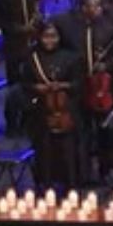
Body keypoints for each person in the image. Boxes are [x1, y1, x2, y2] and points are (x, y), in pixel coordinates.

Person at [24, 22, 81, 187]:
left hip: (66, 112)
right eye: (46, 37)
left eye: (53, 37)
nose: (50, 41)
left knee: (67, 151)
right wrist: (36, 88)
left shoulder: (71, 57)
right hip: (41, 113)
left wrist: (63, 86)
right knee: (44, 151)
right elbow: (24, 83)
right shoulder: (32, 57)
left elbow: (78, 83)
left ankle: (70, 185)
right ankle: (46, 184)